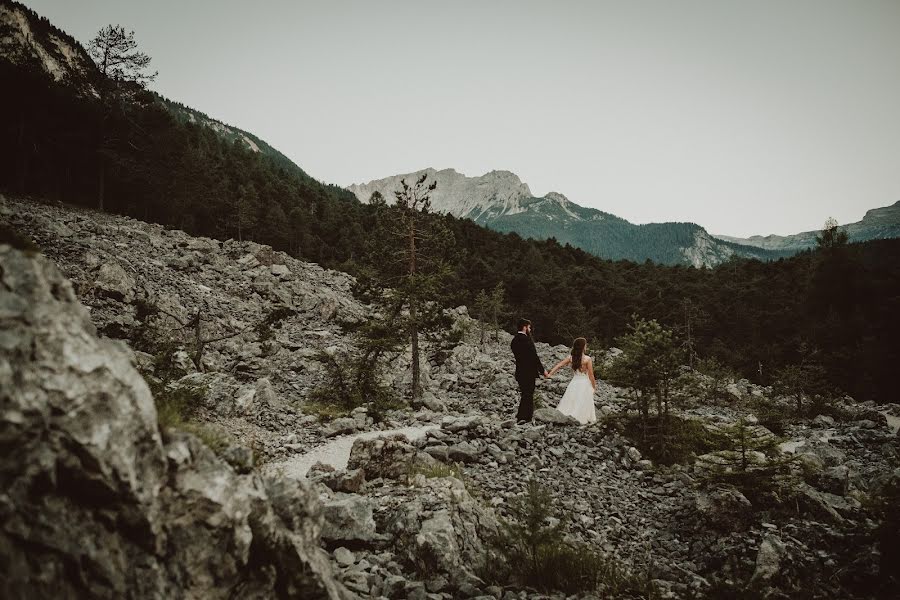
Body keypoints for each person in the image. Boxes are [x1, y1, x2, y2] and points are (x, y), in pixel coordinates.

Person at [547, 337, 597, 424]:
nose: (586, 346)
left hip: (574, 381)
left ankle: (567, 416)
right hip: (584, 382)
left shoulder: (571, 357)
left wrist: (550, 374)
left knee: (571, 399)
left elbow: (559, 365)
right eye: (585, 345)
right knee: (583, 400)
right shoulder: (587, 359)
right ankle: (581, 417)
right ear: (583, 347)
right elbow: (591, 375)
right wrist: (593, 386)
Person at [510, 318, 548, 423]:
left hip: (519, 371)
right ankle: (525, 417)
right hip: (529, 372)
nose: (530, 330)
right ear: (525, 327)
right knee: (528, 394)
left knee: (524, 393)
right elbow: (534, 357)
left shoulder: (514, 341)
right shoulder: (527, 340)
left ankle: (522, 415)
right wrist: (542, 370)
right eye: (529, 327)